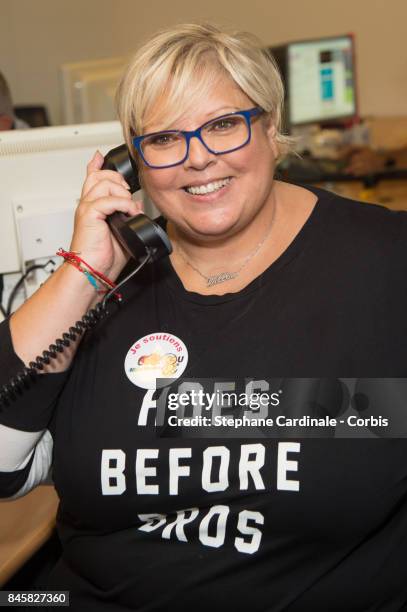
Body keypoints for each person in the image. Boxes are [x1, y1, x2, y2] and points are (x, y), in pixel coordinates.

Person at [1, 22, 407, 612]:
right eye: (165, 139)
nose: (197, 159)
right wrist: (83, 273)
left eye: (222, 125)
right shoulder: (104, 287)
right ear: (132, 162)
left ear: (270, 128)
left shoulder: (385, 261)